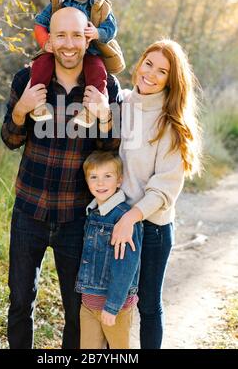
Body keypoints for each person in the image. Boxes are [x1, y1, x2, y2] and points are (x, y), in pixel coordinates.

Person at [1, 7, 122, 349]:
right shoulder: (27, 81)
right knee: (21, 301)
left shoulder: (105, 86)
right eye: (61, 36)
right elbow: (10, 140)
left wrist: (105, 118)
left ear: (87, 37)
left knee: (75, 309)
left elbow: (110, 152)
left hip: (76, 217)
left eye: (76, 35)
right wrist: (22, 109)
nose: (69, 44)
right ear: (50, 40)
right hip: (29, 211)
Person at [111, 39, 202, 349]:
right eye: (148, 64)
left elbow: (164, 188)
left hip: (151, 229)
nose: (151, 74)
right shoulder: (122, 103)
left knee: (147, 306)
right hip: (115, 221)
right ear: (139, 64)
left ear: (170, 80)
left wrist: (131, 218)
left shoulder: (171, 125)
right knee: (113, 302)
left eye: (161, 71)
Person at [30, 0, 125, 127]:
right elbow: (40, 23)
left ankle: (89, 111)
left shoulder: (100, 4)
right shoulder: (59, 2)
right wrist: (45, 42)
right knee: (41, 64)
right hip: (60, 49)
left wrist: (97, 32)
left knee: (97, 73)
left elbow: (112, 28)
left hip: (91, 51)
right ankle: (38, 104)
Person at [75, 150, 142, 349]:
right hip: (88, 303)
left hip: (115, 306)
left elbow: (126, 267)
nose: (100, 183)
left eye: (107, 176)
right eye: (94, 177)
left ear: (119, 181)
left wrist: (112, 307)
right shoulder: (91, 212)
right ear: (87, 181)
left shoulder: (124, 219)